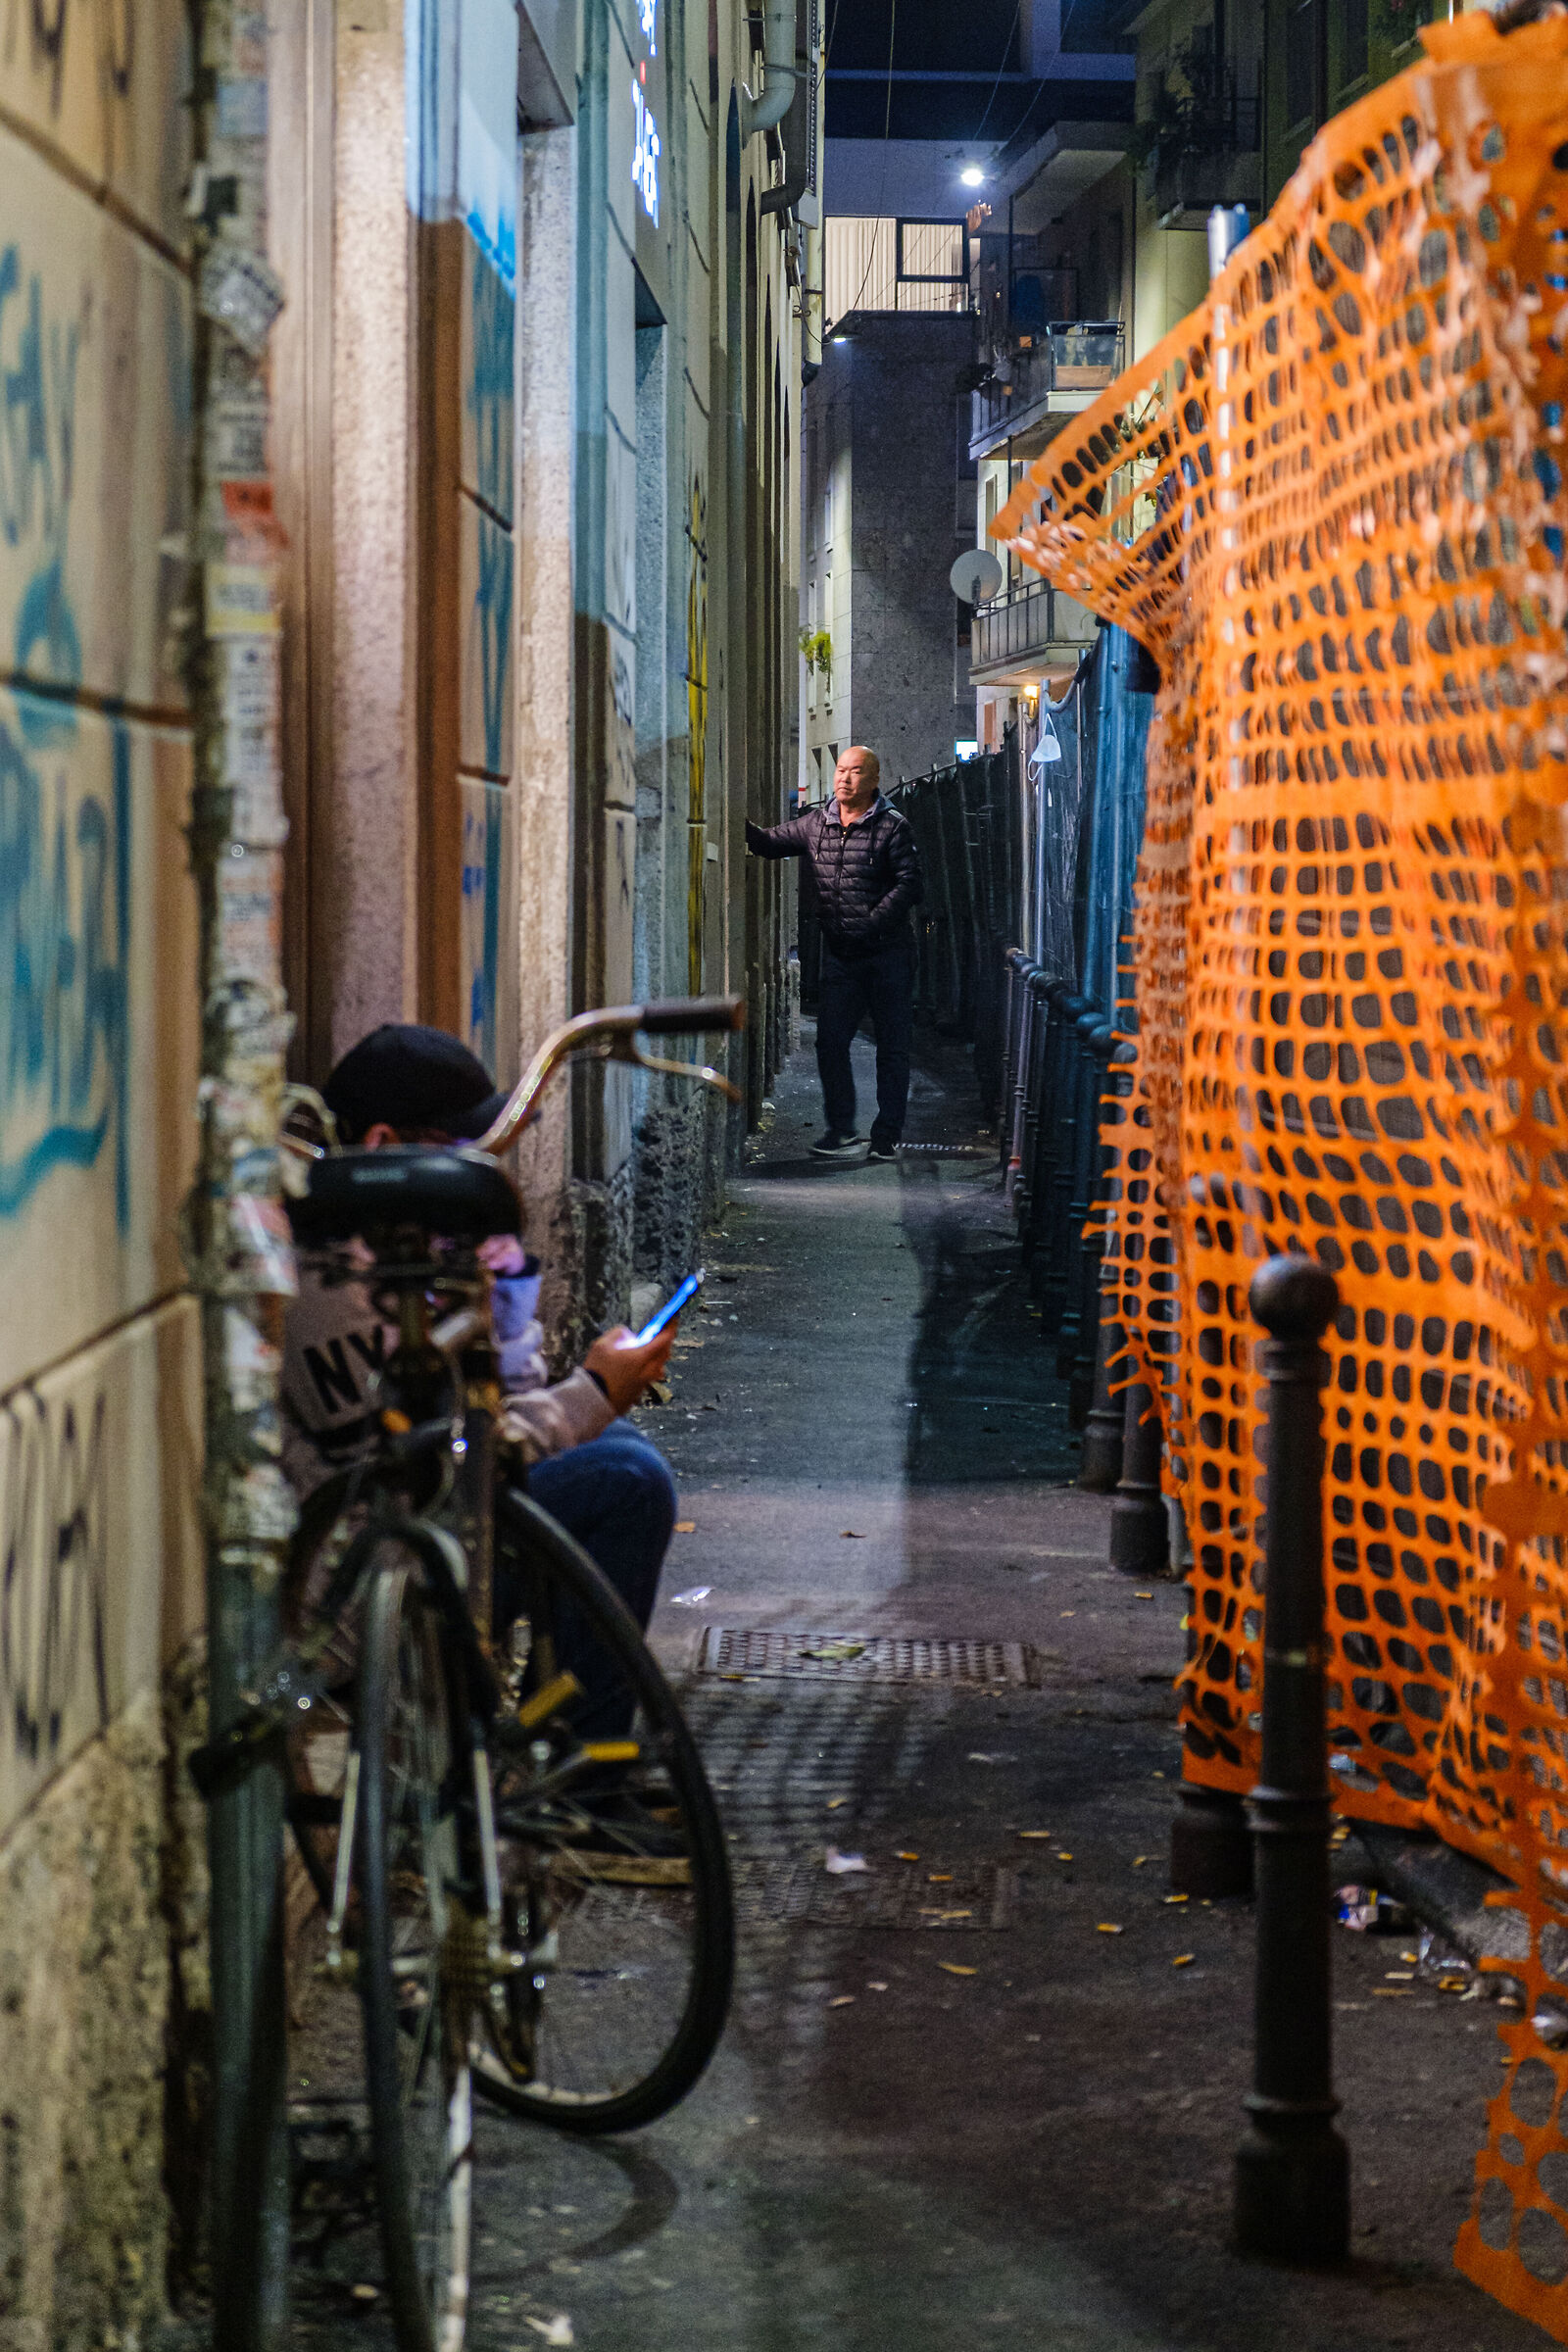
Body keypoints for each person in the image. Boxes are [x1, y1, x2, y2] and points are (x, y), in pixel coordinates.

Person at [279, 1022, 680, 1768]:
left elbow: (495, 1406)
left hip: (421, 1529)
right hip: (369, 1577)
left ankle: (566, 1744)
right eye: (456, 1153)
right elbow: (436, 1469)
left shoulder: (405, 1246)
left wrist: (507, 1305)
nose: (480, 1171)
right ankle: (586, 1776)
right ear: (381, 1148)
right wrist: (591, 1392)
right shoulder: (328, 1282)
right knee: (626, 1481)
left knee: (615, 1449)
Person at [746, 744, 923, 1162]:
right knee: (830, 1042)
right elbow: (770, 843)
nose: (844, 778)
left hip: (888, 955)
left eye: (855, 771)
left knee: (893, 1047)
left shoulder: (892, 827)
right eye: (841, 770)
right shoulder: (817, 823)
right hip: (842, 957)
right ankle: (841, 1129)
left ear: (874, 779)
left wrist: (870, 922)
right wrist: (729, 815)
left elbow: (910, 884)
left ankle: (887, 1136)